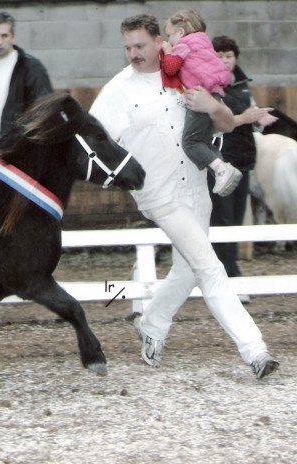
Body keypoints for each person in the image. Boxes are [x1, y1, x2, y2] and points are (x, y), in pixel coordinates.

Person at [89, 14, 279, 379]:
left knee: (186, 269)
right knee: (209, 266)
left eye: (140, 46)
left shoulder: (185, 72)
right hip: (158, 192)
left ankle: (152, 324)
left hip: (195, 185)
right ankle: (255, 350)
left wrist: (213, 107)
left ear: (159, 41)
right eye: (127, 47)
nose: (133, 54)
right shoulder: (117, 91)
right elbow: (93, 141)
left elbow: (223, 122)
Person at [209, 35, 277, 303]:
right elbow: (226, 116)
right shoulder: (211, 84)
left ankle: (227, 273)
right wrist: (251, 115)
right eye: (220, 55)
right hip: (220, 162)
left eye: (229, 55)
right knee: (222, 220)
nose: (225, 61)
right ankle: (230, 277)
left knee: (236, 221)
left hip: (243, 160)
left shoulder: (242, 84)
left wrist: (259, 119)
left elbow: (252, 119)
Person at [161, 9, 241, 198]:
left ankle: (221, 170)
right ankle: (223, 170)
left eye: (169, 35)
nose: (168, 39)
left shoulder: (183, 45)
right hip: (215, 93)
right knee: (203, 142)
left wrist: (167, 51)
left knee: (190, 142)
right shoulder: (204, 43)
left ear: (180, 32)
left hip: (199, 95)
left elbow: (171, 69)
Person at [0, 11, 53, 152]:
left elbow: (44, 111)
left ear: (13, 37)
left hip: (15, 151)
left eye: (4, 35)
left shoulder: (30, 67)